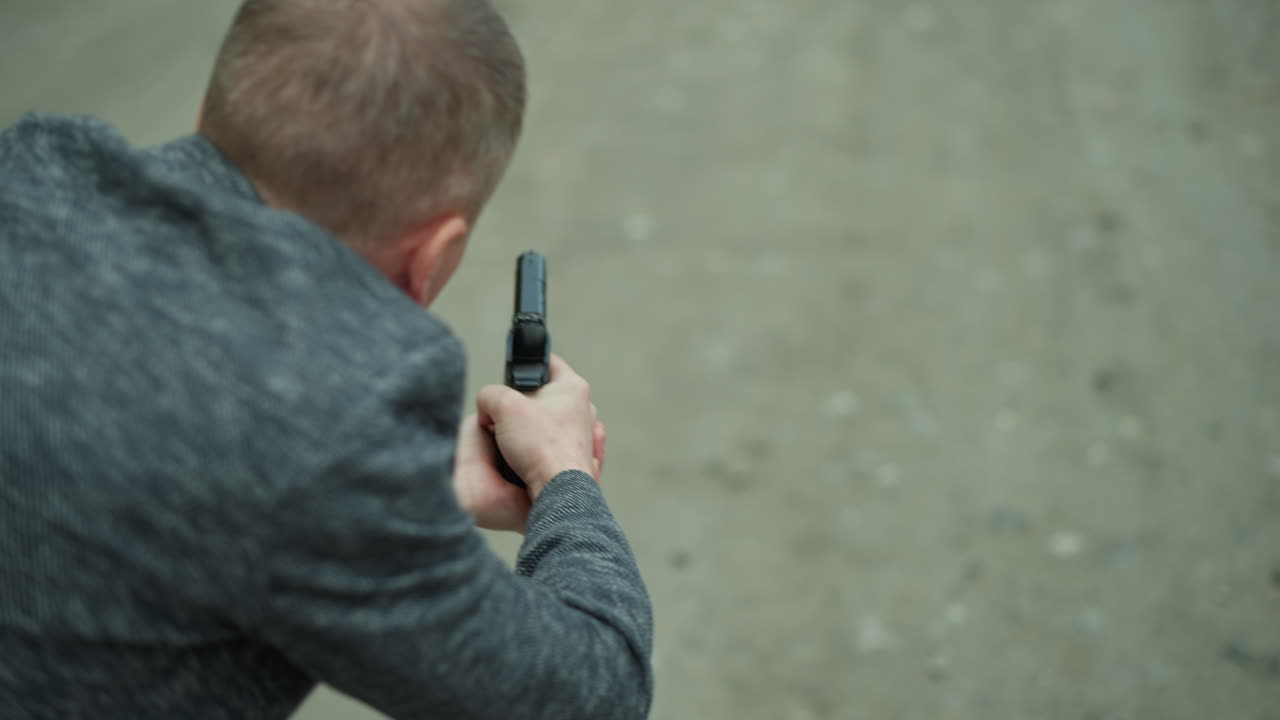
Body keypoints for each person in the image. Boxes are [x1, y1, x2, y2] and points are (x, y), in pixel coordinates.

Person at [0, 1, 652, 718]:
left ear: (203, 117)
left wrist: (400, 494)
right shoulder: (327, 427)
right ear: (431, 258)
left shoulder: (28, 168)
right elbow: (592, 696)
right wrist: (564, 478)